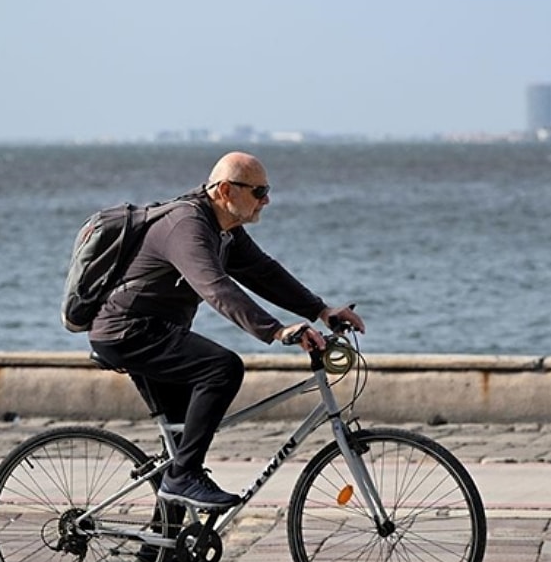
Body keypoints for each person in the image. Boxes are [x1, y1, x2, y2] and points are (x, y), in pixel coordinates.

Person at [88, 151, 365, 511]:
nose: (267, 200)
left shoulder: (226, 231)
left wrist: (321, 310)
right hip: (128, 332)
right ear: (224, 191)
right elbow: (216, 288)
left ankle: (164, 548)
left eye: (267, 190)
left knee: (183, 441)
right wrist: (278, 332)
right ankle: (183, 477)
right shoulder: (187, 225)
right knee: (222, 369)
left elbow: (265, 272)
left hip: (157, 331)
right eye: (258, 191)